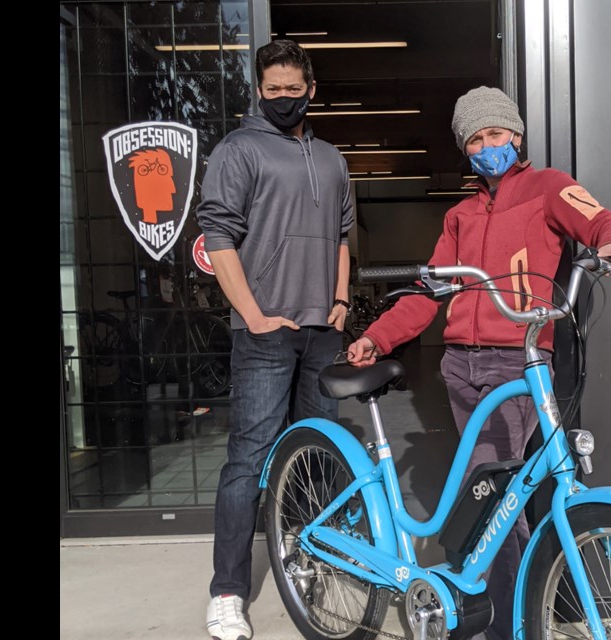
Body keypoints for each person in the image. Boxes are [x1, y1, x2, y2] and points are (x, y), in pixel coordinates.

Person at [347, 86, 611, 640]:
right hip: (461, 367)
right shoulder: (459, 216)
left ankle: (510, 621)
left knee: (496, 499)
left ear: (517, 136)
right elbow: (426, 292)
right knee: (497, 497)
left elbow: (599, 219)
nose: (488, 146)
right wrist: (378, 338)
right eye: (475, 139)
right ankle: (512, 616)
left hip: (519, 364)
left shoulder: (547, 188)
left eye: (496, 134)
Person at [196, 40, 354, 640]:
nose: (284, 98)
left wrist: (339, 304)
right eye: (273, 89)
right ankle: (228, 592)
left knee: (316, 456)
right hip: (264, 335)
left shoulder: (334, 158)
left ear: (310, 89)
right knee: (248, 462)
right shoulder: (238, 149)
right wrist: (255, 316)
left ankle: (309, 561)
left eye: (294, 89)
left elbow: (342, 236)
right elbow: (218, 239)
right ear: (259, 90)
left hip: (321, 331)